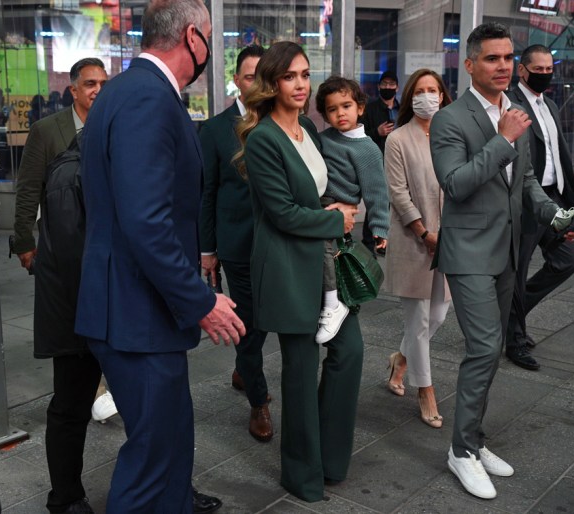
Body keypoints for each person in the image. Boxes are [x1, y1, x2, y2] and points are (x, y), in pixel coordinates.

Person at [74, 0, 245, 512]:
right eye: (211, 38)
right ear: (193, 38)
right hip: (134, 312)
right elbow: (146, 221)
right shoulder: (147, 98)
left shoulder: (131, 91)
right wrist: (200, 299)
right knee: (152, 456)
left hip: (134, 309)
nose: (212, 49)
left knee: (169, 439)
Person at [430, 23, 574, 500]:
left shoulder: (515, 113)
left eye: (507, 57)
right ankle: (460, 451)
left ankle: (473, 438)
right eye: (491, 58)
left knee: (491, 351)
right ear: (470, 63)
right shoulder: (451, 119)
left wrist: (557, 217)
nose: (502, 66)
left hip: (508, 248)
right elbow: (455, 184)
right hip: (469, 251)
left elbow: (528, 182)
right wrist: (503, 138)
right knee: (483, 346)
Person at [236, 41, 362, 503]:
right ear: (271, 82)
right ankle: (302, 473)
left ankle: (330, 459)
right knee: (300, 370)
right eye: (290, 76)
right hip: (288, 268)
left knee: (350, 354)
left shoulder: (308, 126)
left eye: (305, 75)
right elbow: (283, 213)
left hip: (324, 264)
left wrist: (332, 211)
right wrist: (336, 218)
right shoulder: (263, 138)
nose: (301, 84)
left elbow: (312, 192)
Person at [12, 58, 118, 427]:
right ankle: (93, 390)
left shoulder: (115, 127)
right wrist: (24, 242)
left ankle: (101, 385)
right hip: (63, 250)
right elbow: (28, 190)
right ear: (73, 90)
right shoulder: (47, 131)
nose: (98, 90)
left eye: (104, 83)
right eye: (90, 84)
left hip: (106, 248)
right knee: (72, 324)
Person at [198, 44, 274, 442]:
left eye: (263, 75)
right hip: (238, 245)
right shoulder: (213, 130)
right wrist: (207, 250)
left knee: (269, 321)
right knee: (248, 323)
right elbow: (206, 193)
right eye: (249, 76)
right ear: (237, 82)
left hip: (282, 246)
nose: (256, 83)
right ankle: (259, 401)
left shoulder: (288, 123)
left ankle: (245, 368)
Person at [504, 44, 574, 371]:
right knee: (517, 269)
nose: (545, 74)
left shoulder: (550, 104)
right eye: (538, 69)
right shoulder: (510, 103)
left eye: (549, 69)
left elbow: (560, 156)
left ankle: (514, 315)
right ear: (522, 70)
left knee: (567, 261)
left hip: (555, 198)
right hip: (526, 201)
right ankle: (514, 341)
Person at [383, 68, 452, 429]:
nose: (428, 96)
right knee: (420, 319)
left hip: (450, 240)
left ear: (443, 95)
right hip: (415, 240)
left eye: (434, 90)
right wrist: (423, 232)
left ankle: (401, 361)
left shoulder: (451, 135)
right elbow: (398, 194)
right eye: (421, 90)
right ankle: (425, 389)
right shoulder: (398, 139)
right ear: (411, 97)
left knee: (439, 315)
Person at [313, 75, 390, 344]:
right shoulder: (322, 139)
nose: (340, 113)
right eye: (332, 109)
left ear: (360, 107)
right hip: (316, 200)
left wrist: (381, 229)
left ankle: (333, 302)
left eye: (346, 106)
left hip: (336, 204)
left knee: (326, 249)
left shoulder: (367, 149)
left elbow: (377, 192)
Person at [361, 70, 399, 253]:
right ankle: (369, 242)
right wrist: (377, 132)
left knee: (393, 202)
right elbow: (360, 134)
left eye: (391, 84)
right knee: (376, 200)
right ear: (378, 86)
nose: (388, 87)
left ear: (397, 87)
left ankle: (384, 241)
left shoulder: (401, 108)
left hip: (397, 161)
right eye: (384, 84)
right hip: (376, 159)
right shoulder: (370, 108)